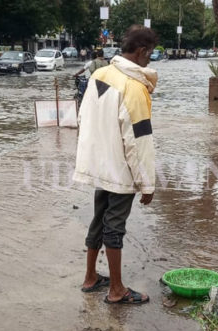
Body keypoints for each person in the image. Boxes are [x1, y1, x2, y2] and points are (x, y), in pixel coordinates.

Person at [73, 24, 158, 304]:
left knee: (99, 219)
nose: (150, 59)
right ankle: (117, 290)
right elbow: (139, 141)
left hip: (99, 164)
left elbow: (83, 117)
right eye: (150, 54)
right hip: (120, 170)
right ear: (141, 51)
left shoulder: (99, 74)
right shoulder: (134, 87)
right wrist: (147, 183)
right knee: (114, 226)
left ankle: (90, 278)